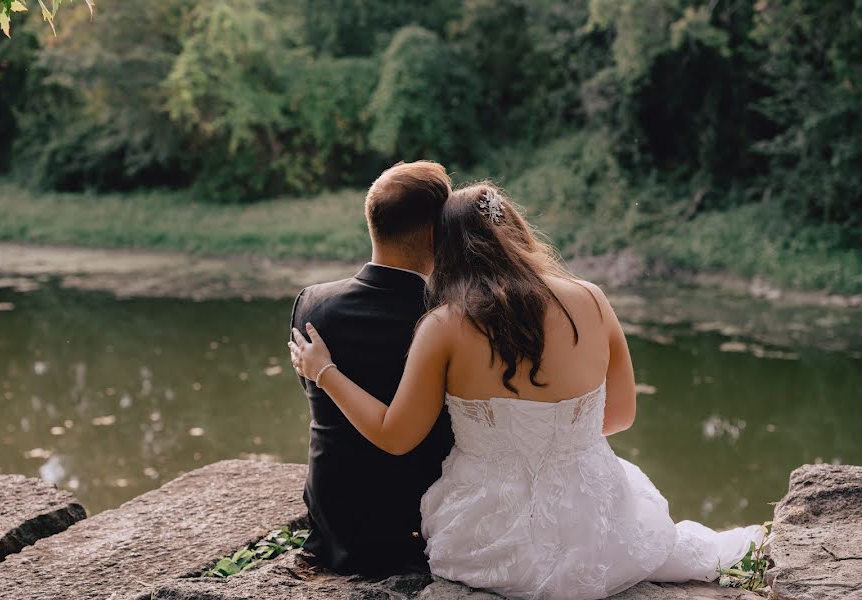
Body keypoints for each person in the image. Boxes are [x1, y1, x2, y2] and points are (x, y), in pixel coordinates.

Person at [289, 182, 765, 600]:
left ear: (446, 247)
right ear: (515, 229)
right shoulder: (593, 299)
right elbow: (620, 416)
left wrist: (325, 370)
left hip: (484, 536)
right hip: (597, 529)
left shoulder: (443, 326)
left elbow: (396, 436)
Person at [289, 161, 455, 575]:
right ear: (438, 234)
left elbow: (316, 397)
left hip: (333, 516)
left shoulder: (311, 303)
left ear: (373, 223)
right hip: (409, 521)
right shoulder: (445, 320)